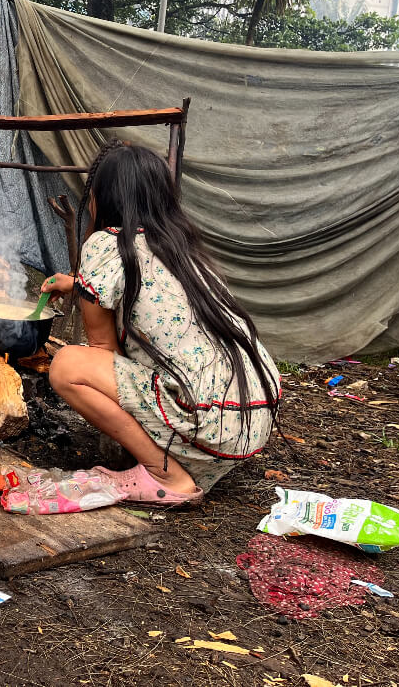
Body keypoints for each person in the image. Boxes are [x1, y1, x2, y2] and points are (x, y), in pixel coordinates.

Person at [39, 141, 281, 505]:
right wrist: (77, 285)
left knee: (67, 366)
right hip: (251, 415)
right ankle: (177, 459)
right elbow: (151, 293)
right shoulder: (180, 244)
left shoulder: (105, 244)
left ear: (102, 198)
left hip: (205, 423)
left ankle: (165, 474)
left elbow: (104, 349)